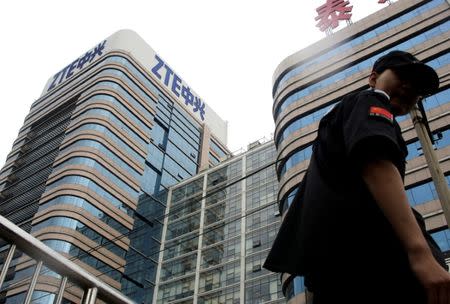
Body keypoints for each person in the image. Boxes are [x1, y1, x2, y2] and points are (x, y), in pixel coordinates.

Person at [264, 50, 450, 303]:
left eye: (418, 86)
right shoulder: (368, 100)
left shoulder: (346, 120)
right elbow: (375, 160)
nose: (410, 87)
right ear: (373, 78)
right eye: (402, 75)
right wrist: (420, 253)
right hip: (374, 265)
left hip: (344, 268)